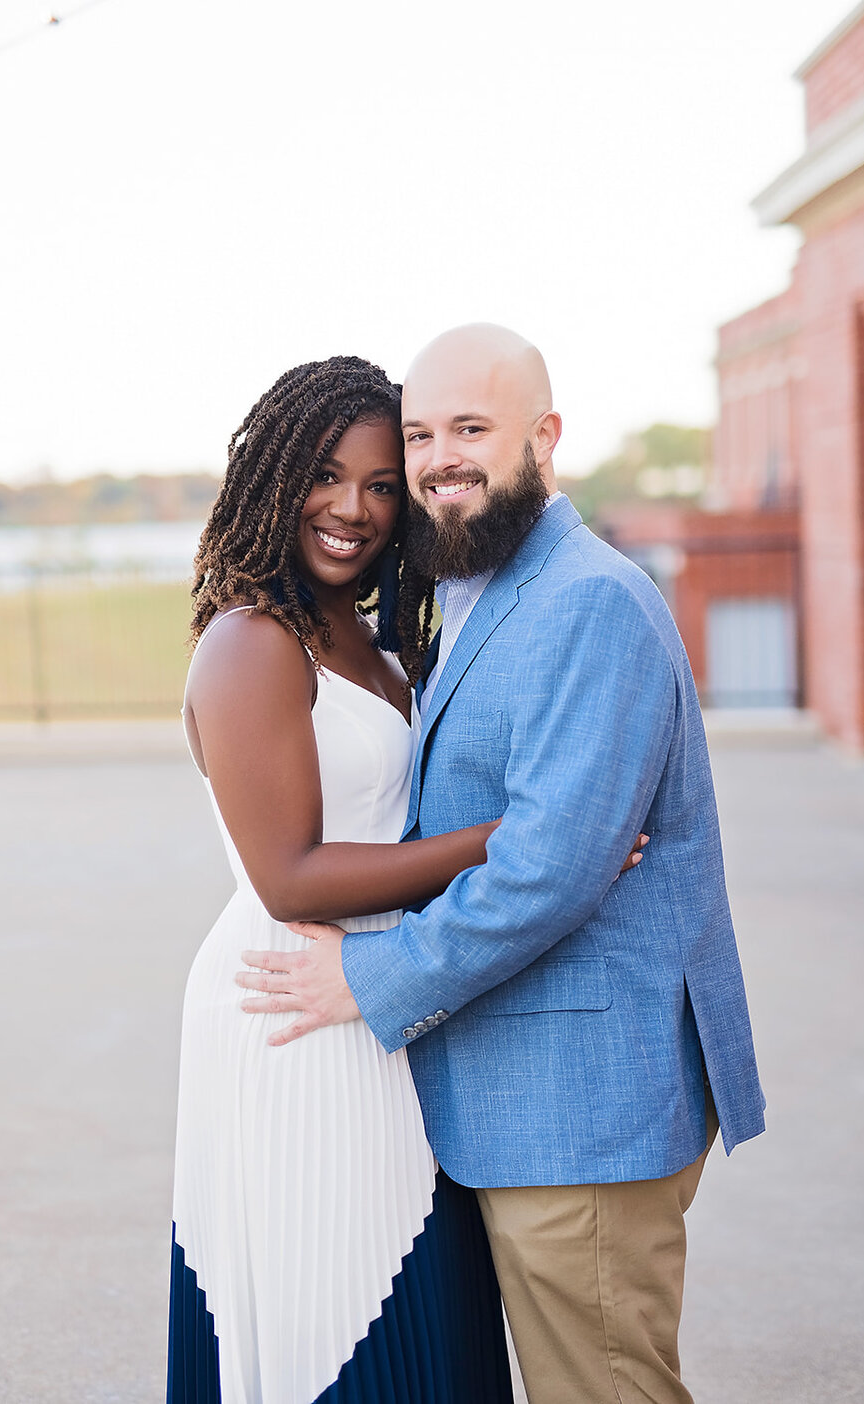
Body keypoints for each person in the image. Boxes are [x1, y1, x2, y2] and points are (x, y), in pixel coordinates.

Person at [239, 325, 767, 1404]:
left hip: (584, 1113)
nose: (440, 460)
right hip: (522, 1099)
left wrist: (367, 975)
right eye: (422, 435)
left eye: (471, 428)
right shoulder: (481, 582)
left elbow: (548, 873)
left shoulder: (586, 601)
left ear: (545, 435)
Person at [167, 352, 649, 1404]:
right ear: (272, 476)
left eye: (383, 485)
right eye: (326, 476)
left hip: (384, 987)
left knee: (418, 1299)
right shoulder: (253, 641)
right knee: (330, 1314)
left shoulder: (378, 641)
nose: (354, 509)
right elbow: (291, 877)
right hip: (291, 1005)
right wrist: (524, 836)